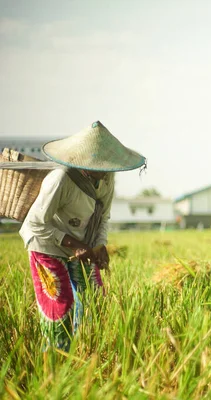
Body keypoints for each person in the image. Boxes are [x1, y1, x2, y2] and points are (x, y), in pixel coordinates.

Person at [19, 121, 146, 351]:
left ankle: (86, 349)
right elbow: (35, 223)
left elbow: (103, 218)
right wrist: (73, 243)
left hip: (81, 245)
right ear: (85, 163)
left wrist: (100, 245)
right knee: (61, 301)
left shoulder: (106, 181)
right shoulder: (60, 180)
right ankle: (56, 358)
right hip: (46, 245)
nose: (106, 170)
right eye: (100, 165)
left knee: (95, 296)